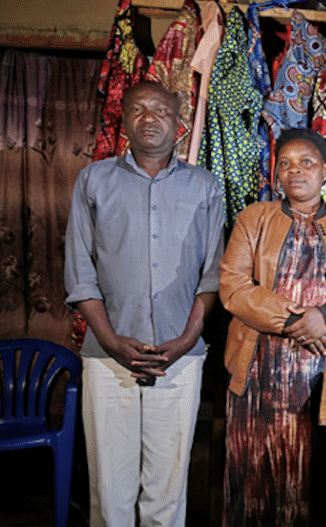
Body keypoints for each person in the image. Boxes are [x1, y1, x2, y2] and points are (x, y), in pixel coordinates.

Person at [64, 80, 225, 527]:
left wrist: (186, 340)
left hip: (181, 357)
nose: (149, 118)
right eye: (138, 110)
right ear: (124, 119)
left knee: (167, 489)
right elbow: (80, 274)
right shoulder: (94, 180)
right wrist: (112, 340)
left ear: (179, 124)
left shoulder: (205, 186)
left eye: (160, 111)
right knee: (110, 488)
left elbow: (212, 274)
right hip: (107, 357)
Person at [219, 128, 326, 526]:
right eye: (286, 164)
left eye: (307, 162)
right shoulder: (252, 219)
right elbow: (233, 285)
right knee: (254, 473)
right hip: (257, 370)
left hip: (323, 374)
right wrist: (295, 319)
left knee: (319, 474)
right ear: (276, 174)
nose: (296, 171)